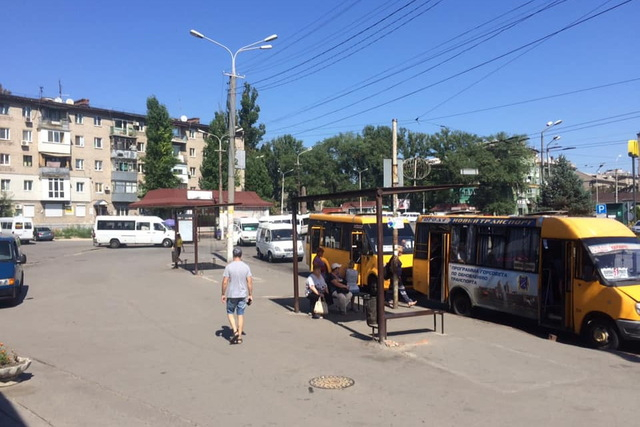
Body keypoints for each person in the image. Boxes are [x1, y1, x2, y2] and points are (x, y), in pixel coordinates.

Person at [221, 247, 253, 344]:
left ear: (233, 255)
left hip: (231, 294)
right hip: (242, 294)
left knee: (230, 312)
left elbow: (225, 281)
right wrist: (250, 294)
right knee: (240, 314)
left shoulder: (229, 267)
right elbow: (250, 282)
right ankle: (239, 336)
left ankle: (235, 331)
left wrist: (223, 293)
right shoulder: (246, 267)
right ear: (241, 255)